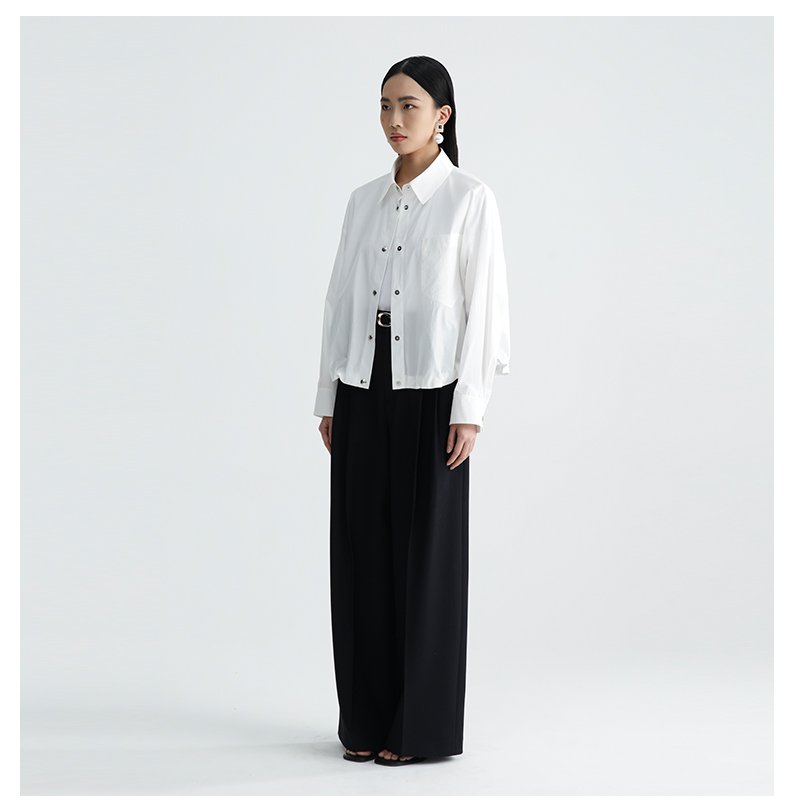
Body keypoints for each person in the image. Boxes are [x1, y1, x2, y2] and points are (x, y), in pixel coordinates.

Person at [313, 55, 510, 766]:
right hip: (362, 385)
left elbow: (486, 308)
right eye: (385, 106)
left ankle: (418, 728)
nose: (394, 120)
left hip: (433, 392)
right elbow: (339, 299)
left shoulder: (468, 199)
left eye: (409, 106)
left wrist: (470, 408)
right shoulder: (362, 200)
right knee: (361, 555)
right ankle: (365, 721)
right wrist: (328, 395)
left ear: (441, 117)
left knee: (424, 559)